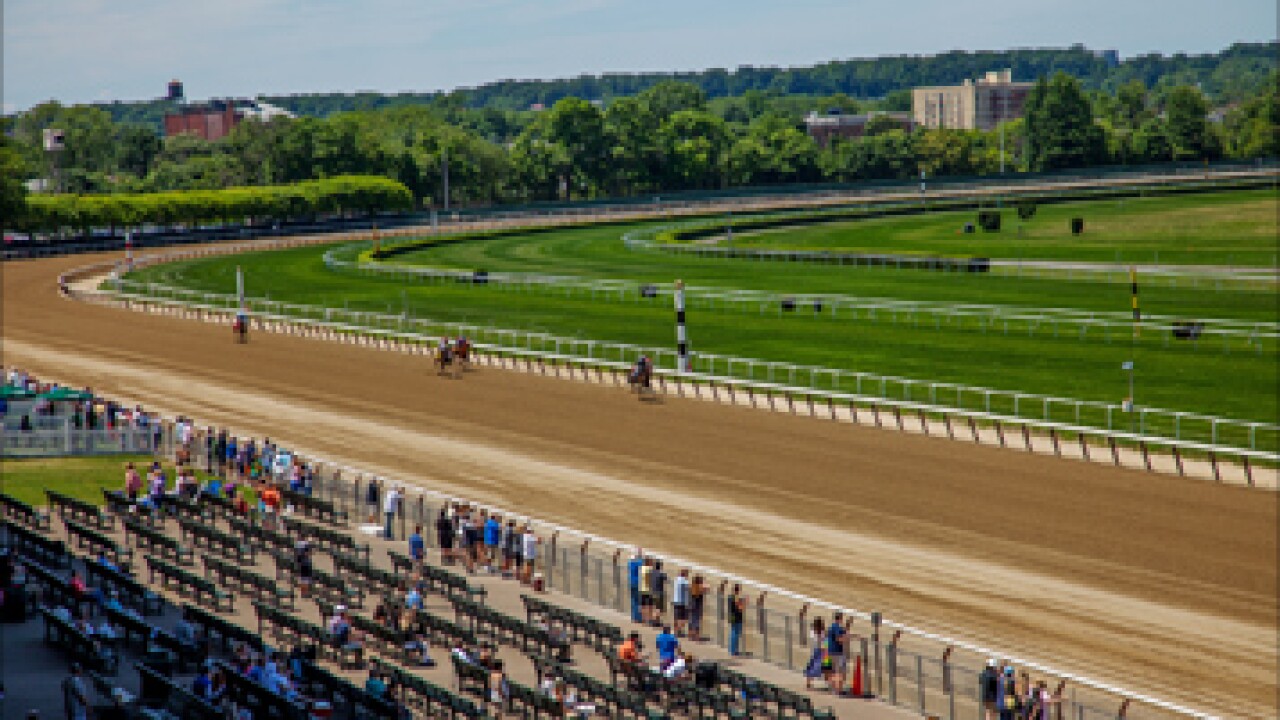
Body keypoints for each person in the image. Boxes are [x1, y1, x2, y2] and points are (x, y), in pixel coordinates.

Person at [825, 612, 848, 692]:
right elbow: (839, 639)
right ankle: (838, 689)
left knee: (832, 671)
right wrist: (845, 639)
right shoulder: (837, 628)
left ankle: (834, 688)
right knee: (839, 672)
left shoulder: (831, 627)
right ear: (840, 619)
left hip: (830, 651)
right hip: (837, 652)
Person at [804, 616, 826, 690]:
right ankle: (809, 683)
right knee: (815, 667)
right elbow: (822, 641)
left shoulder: (813, 632)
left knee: (812, 666)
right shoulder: (818, 633)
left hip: (816, 650)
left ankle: (808, 683)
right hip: (819, 651)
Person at [727, 584, 745, 656]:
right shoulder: (736, 598)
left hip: (732, 616)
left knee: (733, 632)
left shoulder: (730, 597)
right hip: (737, 617)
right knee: (736, 633)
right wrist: (744, 602)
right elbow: (740, 608)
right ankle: (734, 650)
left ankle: (732, 649)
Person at [672, 569, 691, 637]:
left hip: (675, 601)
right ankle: (678, 631)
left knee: (676, 617)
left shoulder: (676, 580)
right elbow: (688, 590)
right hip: (682, 602)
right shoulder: (685, 582)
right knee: (683, 618)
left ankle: (676, 630)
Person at [627, 550, 644, 623]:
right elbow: (642, 563)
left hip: (631, 582)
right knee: (638, 601)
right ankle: (638, 618)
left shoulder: (630, 563)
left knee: (633, 600)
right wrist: (640, 555)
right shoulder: (638, 563)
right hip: (637, 583)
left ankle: (633, 617)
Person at [689, 575, 706, 642]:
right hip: (697, 607)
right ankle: (696, 637)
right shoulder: (699, 589)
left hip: (691, 606)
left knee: (691, 620)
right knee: (697, 622)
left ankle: (690, 635)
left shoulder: (692, 588)